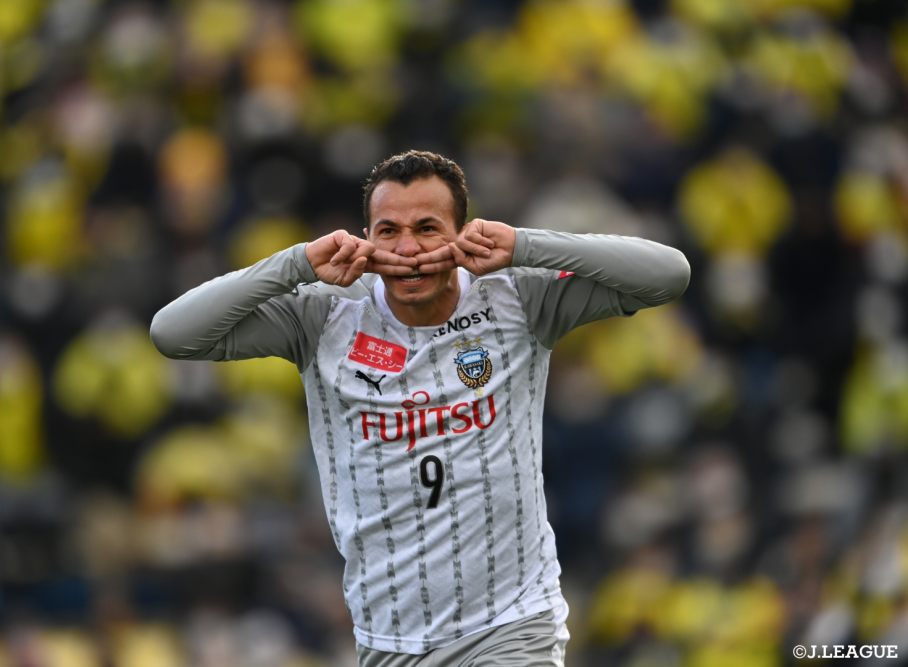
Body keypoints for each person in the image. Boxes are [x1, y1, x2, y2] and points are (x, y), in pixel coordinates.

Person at [150, 150, 690, 666]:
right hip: (389, 637)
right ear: (367, 240)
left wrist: (524, 245)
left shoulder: (518, 298)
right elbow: (173, 334)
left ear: (462, 233)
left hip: (511, 622)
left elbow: (669, 275)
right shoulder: (323, 316)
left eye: (427, 228)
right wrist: (296, 263)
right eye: (389, 231)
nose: (408, 248)